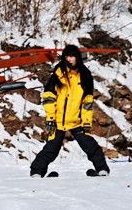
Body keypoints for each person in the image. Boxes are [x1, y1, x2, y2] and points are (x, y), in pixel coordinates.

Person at [29, 44, 110, 177]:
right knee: (52, 148)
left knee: (90, 145)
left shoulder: (85, 76)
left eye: (72, 56)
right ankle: (37, 172)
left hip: (77, 121)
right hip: (58, 120)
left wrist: (87, 121)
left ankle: (102, 169)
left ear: (77, 57)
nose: (69, 59)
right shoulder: (58, 73)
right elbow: (49, 96)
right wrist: (50, 117)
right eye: (67, 56)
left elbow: (87, 102)